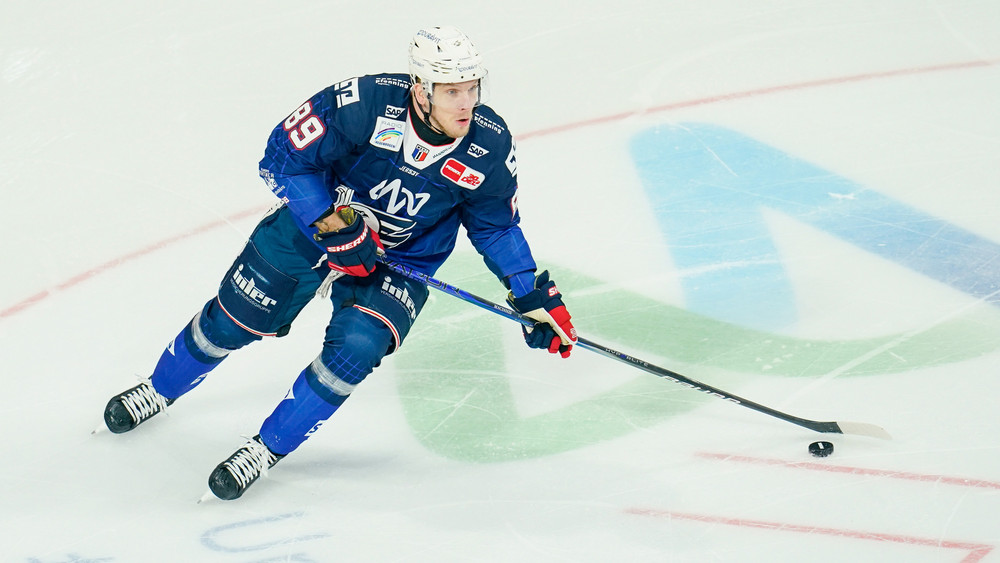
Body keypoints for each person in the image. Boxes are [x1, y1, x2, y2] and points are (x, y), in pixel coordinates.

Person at [102, 25, 577, 500]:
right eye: (451, 91)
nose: (465, 103)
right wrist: (332, 226)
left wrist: (526, 290)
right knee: (233, 320)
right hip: (317, 229)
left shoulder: (489, 145)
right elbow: (283, 157)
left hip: (401, 261)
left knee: (355, 349)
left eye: (472, 88)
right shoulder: (364, 103)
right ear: (420, 89)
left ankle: (264, 450)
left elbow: (494, 224)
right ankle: (158, 389)